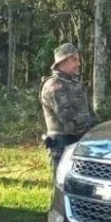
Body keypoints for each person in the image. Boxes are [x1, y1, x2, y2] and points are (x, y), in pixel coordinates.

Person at [40, 43, 99, 172]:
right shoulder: (54, 86)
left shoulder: (75, 84)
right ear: (62, 61)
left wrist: (99, 132)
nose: (78, 64)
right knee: (64, 186)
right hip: (63, 146)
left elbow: (90, 112)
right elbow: (67, 117)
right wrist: (90, 135)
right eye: (74, 60)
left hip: (82, 142)